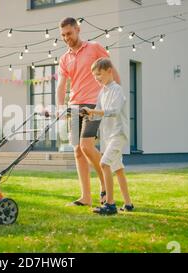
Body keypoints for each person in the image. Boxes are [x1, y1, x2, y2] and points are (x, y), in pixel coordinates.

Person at [57, 17, 121, 207]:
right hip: (74, 105)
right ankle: (85, 196)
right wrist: (61, 106)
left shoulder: (94, 48)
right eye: (63, 35)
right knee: (77, 151)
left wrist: (119, 94)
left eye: (69, 33)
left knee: (86, 146)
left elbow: (111, 70)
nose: (66, 37)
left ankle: (105, 185)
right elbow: (61, 85)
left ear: (78, 29)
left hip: (94, 103)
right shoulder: (64, 58)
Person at [82, 58, 134, 215]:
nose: (97, 78)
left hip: (118, 134)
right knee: (118, 169)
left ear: (109, 71)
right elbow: (98, 113)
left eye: (99, 74)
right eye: (94, 76)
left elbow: (113, 111)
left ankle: (110, 205)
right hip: (109, 136)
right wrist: (88, 115)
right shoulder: (102, 91)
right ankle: (128, 204)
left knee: (104, 164)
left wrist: (94, 112)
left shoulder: (117, 90)